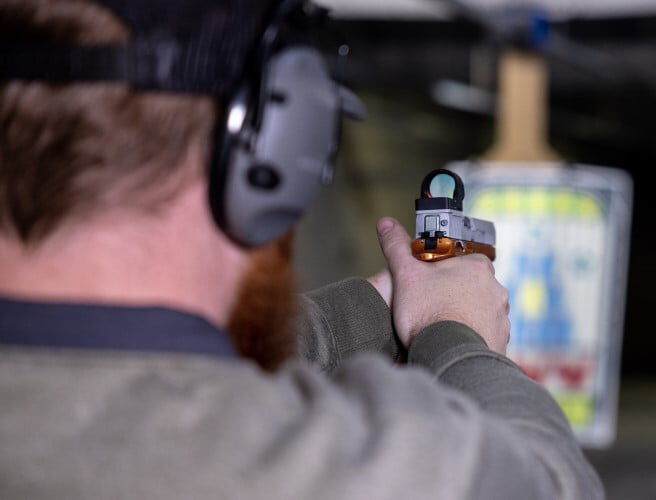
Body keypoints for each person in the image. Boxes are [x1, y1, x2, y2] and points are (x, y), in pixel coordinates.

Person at [0, 0, 602, 498]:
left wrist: (377, 307)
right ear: (278, 155)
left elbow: (192, 358)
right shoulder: (353, 471)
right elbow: (550, 478)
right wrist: (455, 336)